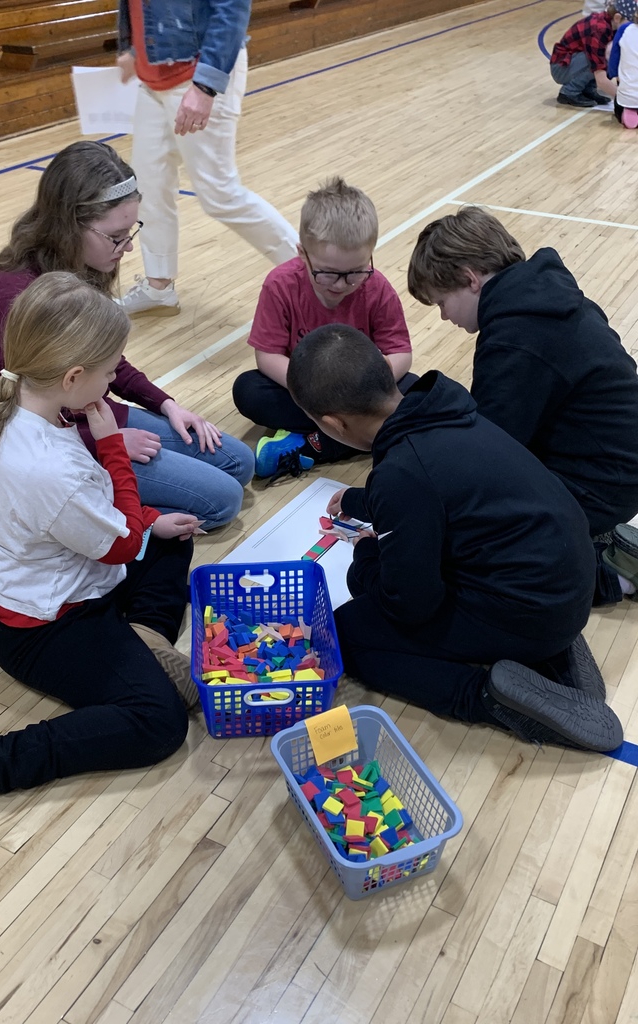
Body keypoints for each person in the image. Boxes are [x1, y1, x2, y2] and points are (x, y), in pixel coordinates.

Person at [0, 273, 205, 868]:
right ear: (74, 379)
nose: (113, 379)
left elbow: (102, 520)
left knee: (170, 538)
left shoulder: (32, 405)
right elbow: (117, 546)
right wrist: (113, 442)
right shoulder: (52, 464)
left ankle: (140, 643)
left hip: (80, 585)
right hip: (43, 629)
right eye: (109, 369)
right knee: (158, 723)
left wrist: (146, 519)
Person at [286, 325, 623, 752]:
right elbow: (443, 490)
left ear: (333, 423)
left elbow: (409, 605)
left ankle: (488, 698)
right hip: (568, 582)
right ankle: (548, 657)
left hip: (531, 612)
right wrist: (363, 500)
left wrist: (367, 554)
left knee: (347, 633)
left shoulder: (402, 475)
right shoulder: (446, 409)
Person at [0, 140, 255, 530]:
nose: (128, 247)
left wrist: (165, 404)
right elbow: (6, 414)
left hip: (91, 415)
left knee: (239, 461)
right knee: (222, 501)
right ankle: (73, 514)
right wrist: (103, 442)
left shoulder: (77, 265)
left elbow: (104, 358)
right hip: (54, 443)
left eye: (131, 231)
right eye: (117, 237)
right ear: (70, 226)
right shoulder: (8, 301)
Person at [407, 205, 638, 605]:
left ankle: (610, 577)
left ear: (470, 279)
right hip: (615, 465)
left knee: (462, 535)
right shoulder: (542, 295)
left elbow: (492, 452)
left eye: (441, 301)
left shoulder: (515, 335)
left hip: (605, 485)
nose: (443, 317)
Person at [114, 0, 298, 317]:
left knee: (220, 193)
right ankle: (159, 287)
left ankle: (316, 273)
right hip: (153, 76)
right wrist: (134, 47)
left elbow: (233, 8)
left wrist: (205, 86)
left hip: (198, 72)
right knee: (148, 187)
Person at [232, 177, 414, 482]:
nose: (342, 285)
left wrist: (362, 388)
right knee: (248, 390)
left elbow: (400, 353)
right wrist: (313, 392)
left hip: (358, 393)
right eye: (328, 274)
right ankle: (358, 437)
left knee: (415, 392)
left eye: (355, 272)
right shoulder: (280, 284)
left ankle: (309, 446)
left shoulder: (377, 287)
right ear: (303, 254)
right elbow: (267, 356)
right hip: (303, 391)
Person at [549, 1, 637, 107]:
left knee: (607, 55)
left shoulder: (611, 25)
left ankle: (587, 89)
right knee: (601, 57)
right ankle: (569, 92)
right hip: (561, 67)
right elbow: (601, 78)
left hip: (573, 63)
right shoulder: (599, 29)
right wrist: (626, 100)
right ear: (617, 18)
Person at [607, 6, 638, 126]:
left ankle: (629, 112)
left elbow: (614, 56)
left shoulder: (625, 29)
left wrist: (613, 74)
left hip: (627, 95)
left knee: (623, 99)